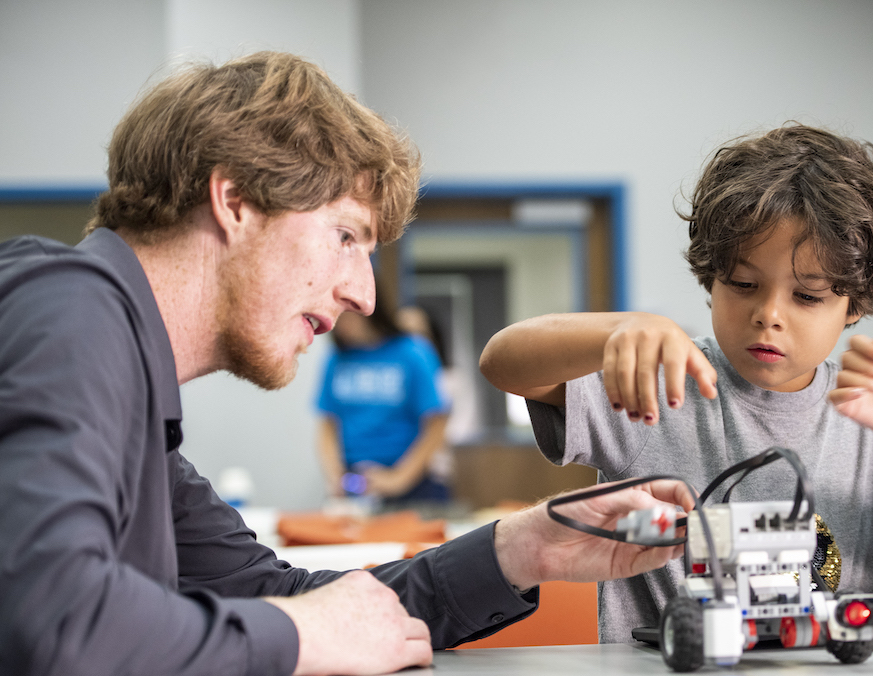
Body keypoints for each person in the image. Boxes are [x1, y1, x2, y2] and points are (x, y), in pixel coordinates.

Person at [0, 51, 695, 676]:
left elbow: (292, 604)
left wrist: (525, 547)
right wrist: (297, 633)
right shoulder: (73, 308)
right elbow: (59, 621)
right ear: (234, 199)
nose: (364, 294)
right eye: (345, 237)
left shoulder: (132, 401)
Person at [479, 123, 873, 643]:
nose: (769, 314)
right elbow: (501, 362)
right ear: (712, 279)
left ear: (854, 306)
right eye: (743, 284)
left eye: (808, 295)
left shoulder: (862, 415)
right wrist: (617, 329)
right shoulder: (661, 383)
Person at [316, 293, 451, 504]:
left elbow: (436, 425)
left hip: (411, 482)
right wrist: (334, 476)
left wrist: (399, 479)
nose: (339, 324)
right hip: (355, 481)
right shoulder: (337, 359)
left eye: (345, 315)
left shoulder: (412, 352)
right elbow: (327, 424)